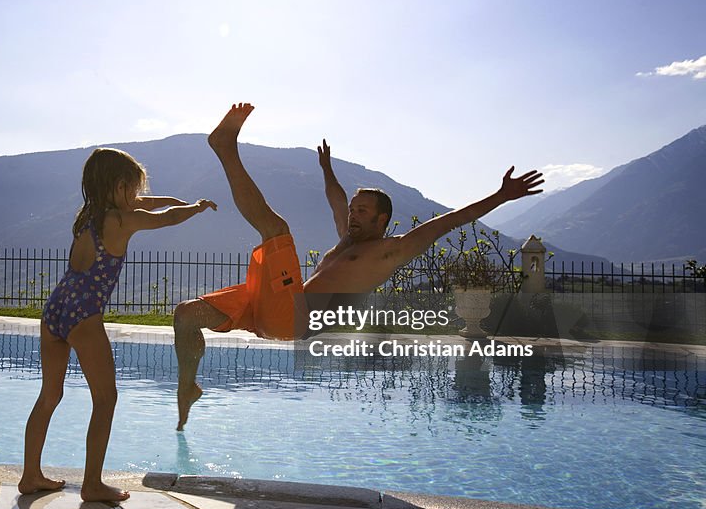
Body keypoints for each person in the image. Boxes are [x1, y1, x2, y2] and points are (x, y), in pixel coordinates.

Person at [174, 103, 543, 429]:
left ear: (382, 220)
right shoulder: (347, 240)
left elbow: (450, 221)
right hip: (278, 310)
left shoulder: (390, 251)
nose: (352, 215)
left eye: (361, 211)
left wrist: (501, 195)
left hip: (294, 318)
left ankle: (224, 148)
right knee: (186, 315)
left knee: (276, 230)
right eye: (353, 209)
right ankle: (189, 387)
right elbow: (335, 200)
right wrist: (327, 168)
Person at [19, 147, 216, 501]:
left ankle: (30, 475)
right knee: (106, 398)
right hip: (84, 313)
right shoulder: (122, 221)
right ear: (120, 186)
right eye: (134, 189)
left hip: (56, 308)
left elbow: (150, 203)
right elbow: (167, 218)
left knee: (50, 395)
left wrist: (172, 198)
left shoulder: (88, 217)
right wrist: (195, 209)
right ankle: (92, 484)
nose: (138, 197)